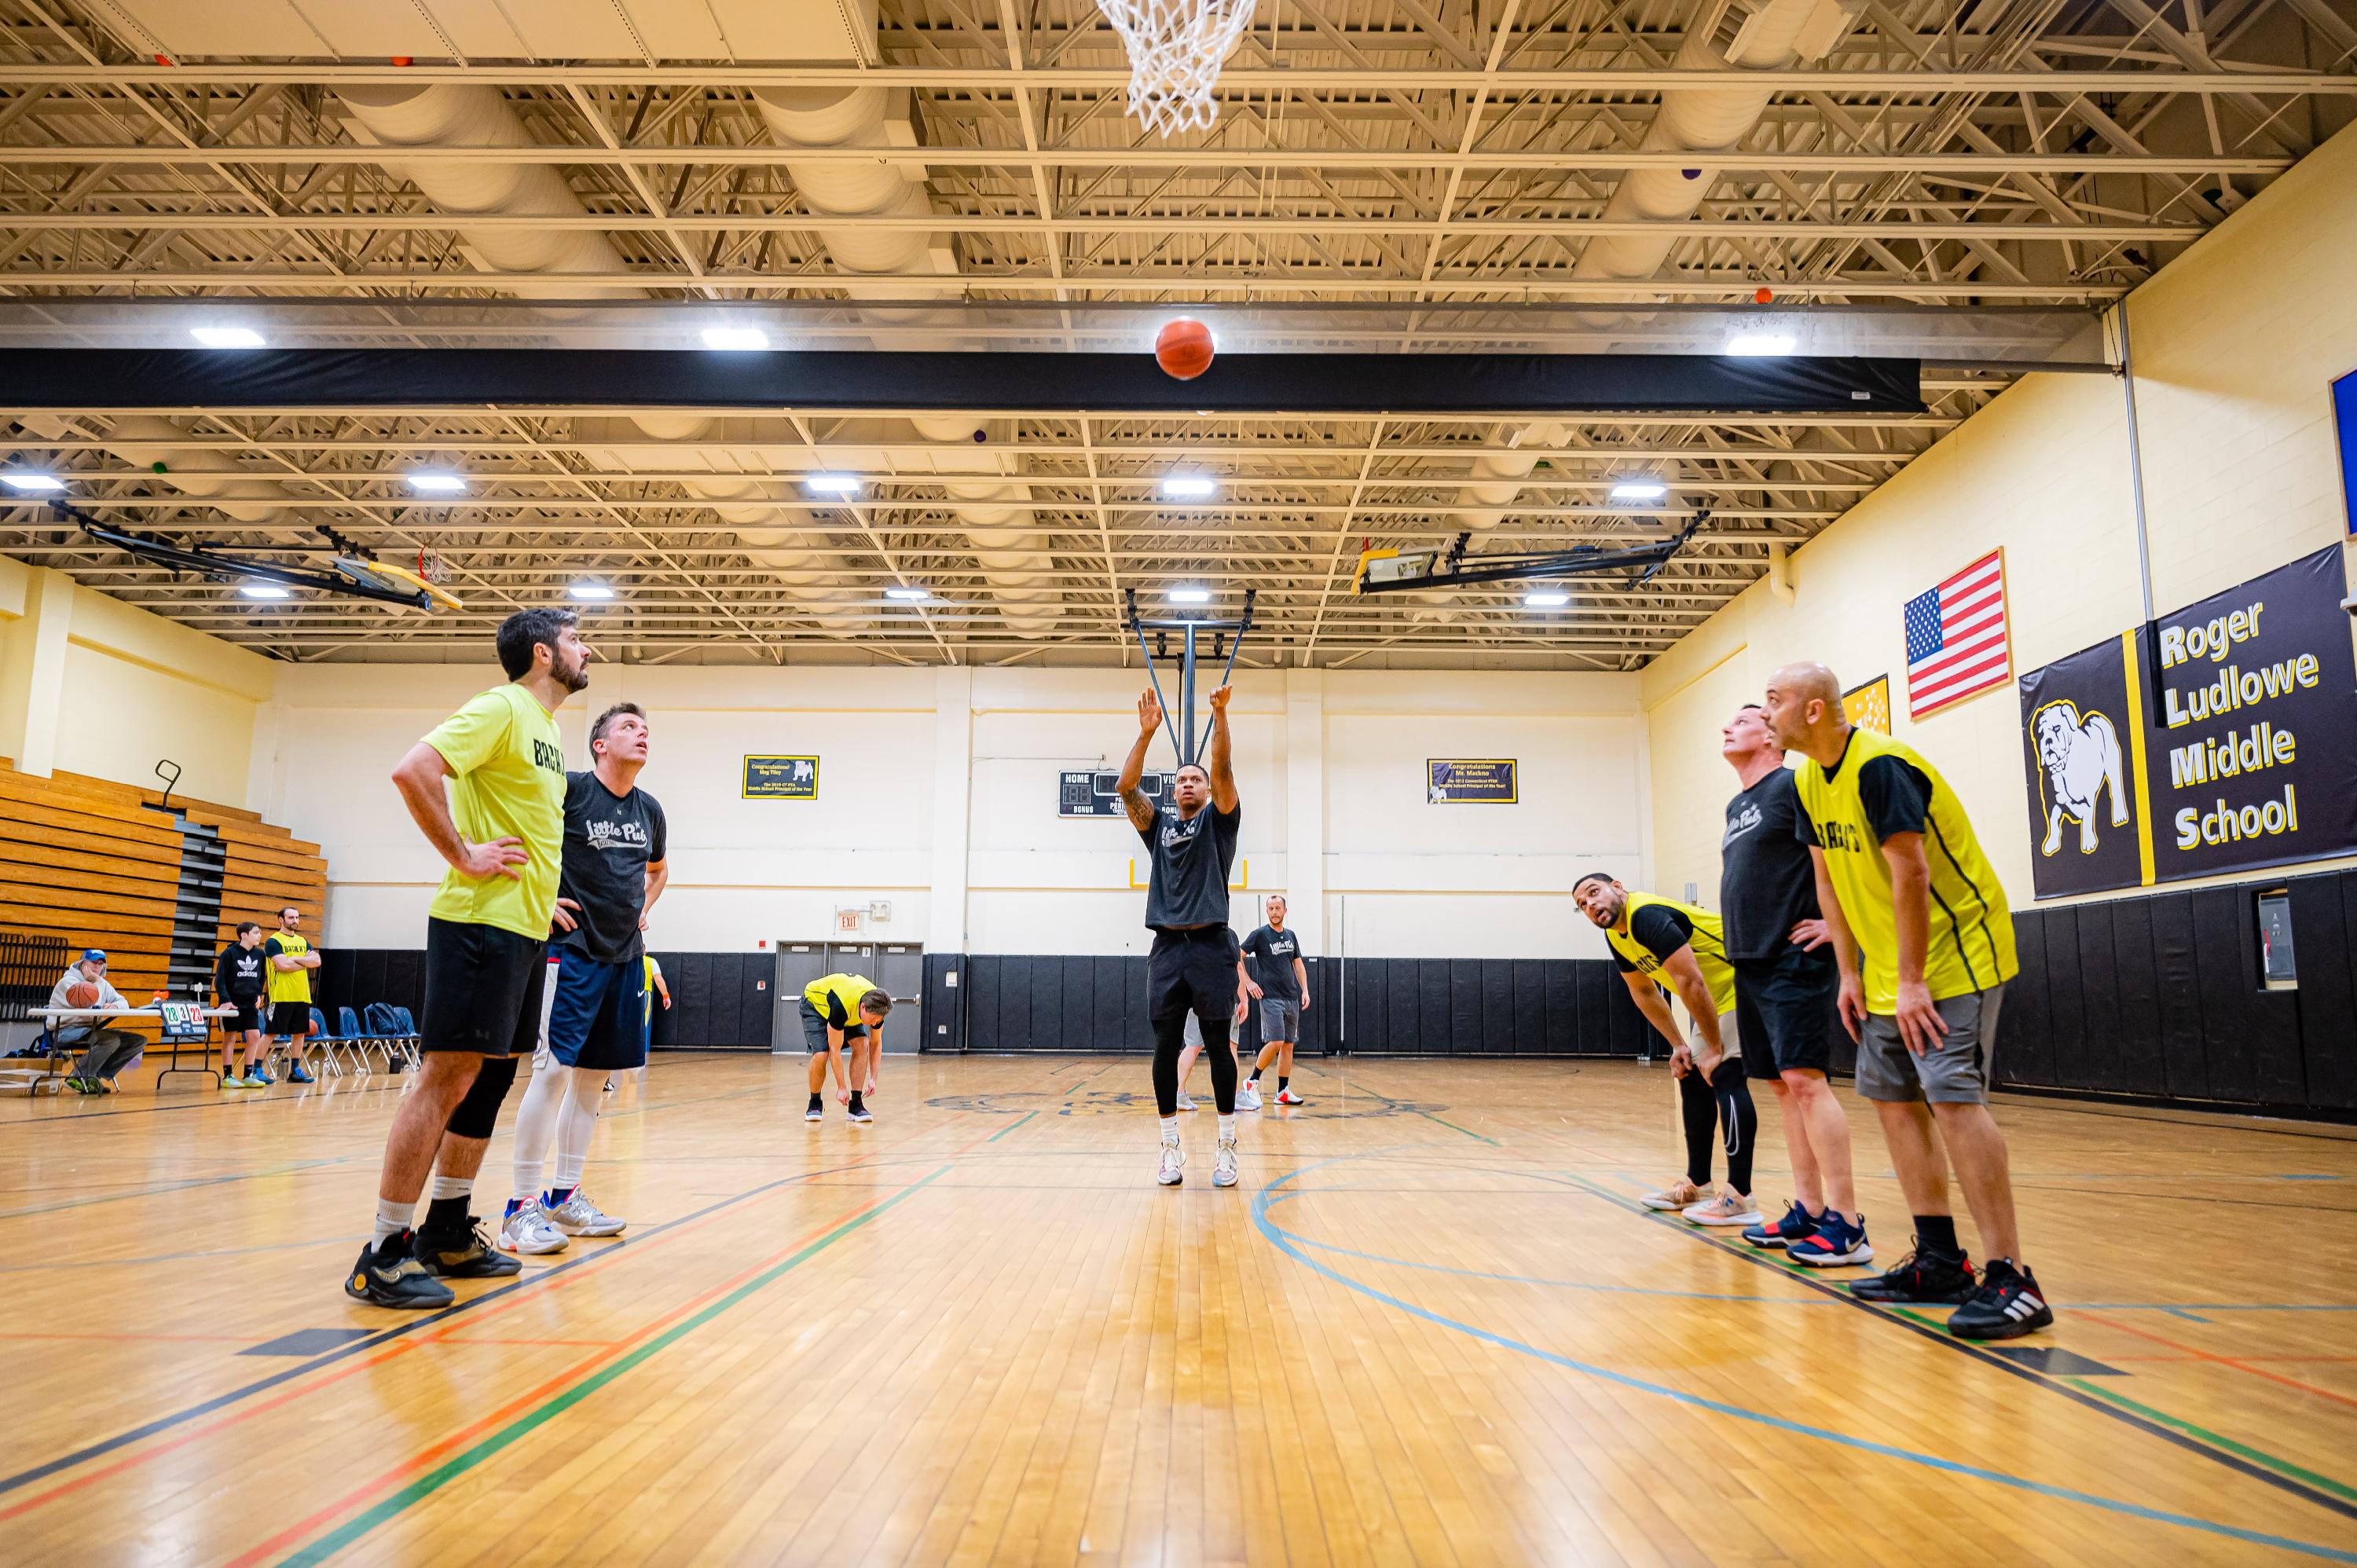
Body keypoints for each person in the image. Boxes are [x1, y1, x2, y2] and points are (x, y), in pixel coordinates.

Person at [1763, 661, 2051, 1339]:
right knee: (1892, 1102)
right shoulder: (1806, 779)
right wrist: (1850, 971)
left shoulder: (1880, 767)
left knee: (1952, 1098)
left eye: (1773, 701)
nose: (1764, 711)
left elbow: (1913, 872)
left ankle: (2013, 1276)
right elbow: (1827, 882)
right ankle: (1940, 1260)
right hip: (1888, 970)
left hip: (1954, 957)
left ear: (1812, 711)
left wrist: (1914, 978)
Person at [343, 606, 585, 1309]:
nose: (585, 648)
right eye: (575, 639)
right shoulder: (502, 707)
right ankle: (384, 1250)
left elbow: (524, 828)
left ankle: (446, 1229)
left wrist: (540, 903)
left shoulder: (547, 729)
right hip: (477, 924)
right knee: (445, 1079)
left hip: (521, 928)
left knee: (489, 1082)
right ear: (542, 654)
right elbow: (413, 769)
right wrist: (461, 854)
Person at [500, 702, 668, 1255]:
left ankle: (564, 1197)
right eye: (628, 728)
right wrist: (541, 898)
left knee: (594, 1080)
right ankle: (520, 1208)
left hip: (626, 956)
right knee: (551, 1074)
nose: (641, 735)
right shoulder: (570, 791)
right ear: (600, 744)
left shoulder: (649, 810)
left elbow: (659, 869)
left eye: (645, 730)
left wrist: (645, 907)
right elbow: (516, 836)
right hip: (570, 951)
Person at [1716, 705, 1869, 1266]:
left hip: (1793, 958)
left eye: (1745, 719)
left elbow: (1844, 855)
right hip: (1749, 961)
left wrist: (1839, 923)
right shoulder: (1738, 804)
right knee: (1782, 1087)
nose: (1729, 726)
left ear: (1771, 737)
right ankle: (1807, 1208)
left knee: (1807, 1083)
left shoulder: (1795, 784)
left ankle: (1847, 1223)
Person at [1572, 874, 1760, 1227]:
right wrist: (1679, 1045)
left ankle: (1740, 1196)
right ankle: (1699, 1184)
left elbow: (1690, 981)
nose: (1591, 906)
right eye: (1583, 905)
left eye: (1594, 893)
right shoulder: (1616, 935)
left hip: (1748, 980)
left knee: (1724, 1072)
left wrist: (1716, 1048)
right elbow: (1644, 992)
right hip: (1715, 999)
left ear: (1618, 886)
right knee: (1691, 1073)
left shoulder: (1647, 916)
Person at [1117, 683, 1243, 1189]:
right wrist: (1145, 734)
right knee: (1165, 1046)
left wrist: (1220, 716)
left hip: (1212, 945)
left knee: (1217, 1044)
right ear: (1173, 791)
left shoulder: (1220, 821)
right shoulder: (1159, 826)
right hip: (1168, 947)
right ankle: (1169, 1147)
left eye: (1197, 779)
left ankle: (1227, 1147)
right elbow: (1127, 788)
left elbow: (1224, 769)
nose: (1189, 782)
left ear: (1208, 791)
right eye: (1182, 779)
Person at [1238, 895, 1310, 1109]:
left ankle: (1282, 1092)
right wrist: (1249, 983)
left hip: (1291, 997)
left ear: (1285, 911)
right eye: (1271, 908)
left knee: (1288, 1045)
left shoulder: (1291, 936)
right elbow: (1237, 957)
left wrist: (1305, 990)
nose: (1275, 911)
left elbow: (1298, 965)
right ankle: (1252, 1081)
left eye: (1278, 908)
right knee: (1277, 1041)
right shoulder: (1259, 935)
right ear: (1267, 911)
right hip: (1270, 998)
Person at [46, 950, 147, 1093]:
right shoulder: (69, 982)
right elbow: (91, 1005)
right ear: (83, 963)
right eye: (94, 963)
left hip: (89, 1030)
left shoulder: (102, 984)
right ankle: (78, 1077)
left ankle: (93, 1076)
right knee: (111, 1040)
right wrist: (97, 981)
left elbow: (123, 1001)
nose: (97, 967)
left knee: (138, 1041)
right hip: (65, 1031)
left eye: (100, 964)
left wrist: (115, 1005)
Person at [802, 973, 890, 1123]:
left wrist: (873, 1079)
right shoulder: (841, 1005)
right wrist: (841, 1087)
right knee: (822, 1054)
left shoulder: (877, 1005)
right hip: (816, 1007)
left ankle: (856, 1104)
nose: (875, 1023)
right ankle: (815, 1102)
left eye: (879, 1020)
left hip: (850, 1013)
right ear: (863, 1008)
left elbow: (875, 1043)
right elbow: (834, 1050)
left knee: (863, 1044)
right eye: (873, 1019)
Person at [1175, 944, 1250, 1111]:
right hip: (1222, 999)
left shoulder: (1192, 935)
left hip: (1195, 998)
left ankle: (1178, 1093)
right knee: (1230, 1045)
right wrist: (1244, 1000)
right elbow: (1238, 968)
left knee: (1192, 1046)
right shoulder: (1228, 936)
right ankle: (1234, 1095)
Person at [261, 905, 321, 1083]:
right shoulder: (274, 941)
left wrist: (294, 959)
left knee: (299, 1034)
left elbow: (317, 961)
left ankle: (295, 1071)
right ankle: (255, 1069)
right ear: (281, 920)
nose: (295, 921)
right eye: (291, 918)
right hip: (280, 996)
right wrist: (304, 962)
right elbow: (283, 966)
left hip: (301, 995)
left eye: (297, 917)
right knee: (270, 1033)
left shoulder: (303, 941)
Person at [213, 922, 271, 1087]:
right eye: (256, 933)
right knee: (230, 1037)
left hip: (250, 1003)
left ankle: (248, 1075)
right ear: (244, 935)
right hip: (232, 1002)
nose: (259, 936)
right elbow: (220, 980)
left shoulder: (260, 955)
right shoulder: (229, 953)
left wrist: (259, 994)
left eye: (260, 933)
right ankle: (228, 1076)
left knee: (254, 1035)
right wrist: (225, 1000)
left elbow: (261, 978)